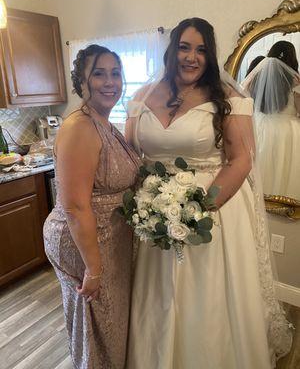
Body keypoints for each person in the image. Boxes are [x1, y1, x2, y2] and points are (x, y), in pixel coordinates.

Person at [125, 18, 292, 369]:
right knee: (159, 296)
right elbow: (131, 156)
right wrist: (149, 208)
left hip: (213, 214)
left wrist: (196, 209)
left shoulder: (228, 99)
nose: (192, 57)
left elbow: (241, 160)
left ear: (210, 56)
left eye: (201, 50)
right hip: (155, 215)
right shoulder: (142, 96)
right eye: (185, 47)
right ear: (172, 51)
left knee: (205, 300)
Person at [43, 44, 140, 369]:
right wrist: (94, 269)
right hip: (84, 243)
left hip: (106, 239)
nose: (110, 81)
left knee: (107, 325)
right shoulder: (80, 127)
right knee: (95, 328)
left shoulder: (103, 121)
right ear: (81, 81)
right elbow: (74, 206)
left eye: (116, 73)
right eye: (99, 73)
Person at [242, 41, 300, 198]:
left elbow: (243, 95)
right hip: (288, 130)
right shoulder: (295, 81)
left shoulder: (259, 75)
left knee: (263, 166)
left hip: (260, 125)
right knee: (285, 168)